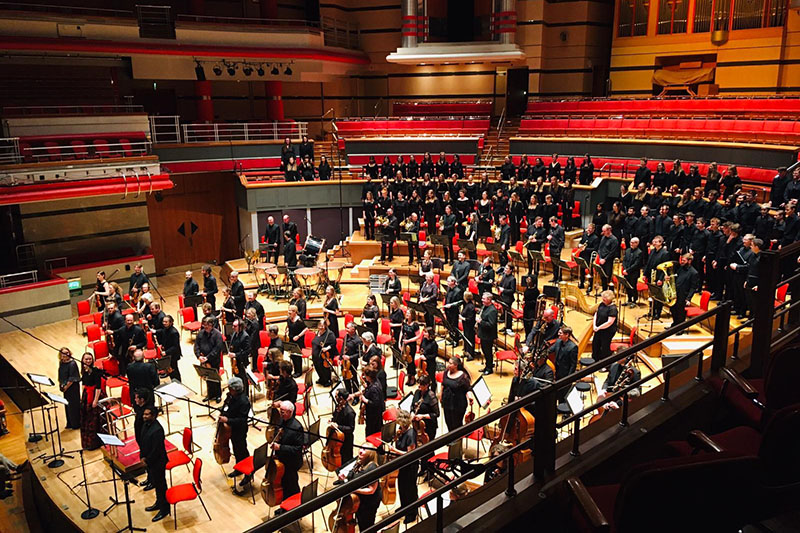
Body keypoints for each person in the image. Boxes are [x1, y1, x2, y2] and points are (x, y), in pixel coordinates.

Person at [385, 409, 418, 524]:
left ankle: (412, 513)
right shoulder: (402, 432)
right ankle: (404, 507)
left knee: (410, 490)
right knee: (402, 487)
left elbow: (410, 453)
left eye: (399, 423)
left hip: (410, 466)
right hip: (403, 465)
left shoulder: (411, 434)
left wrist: (394, 450)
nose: (398, 426)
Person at [219, 377, 252, 491]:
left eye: (229, 388)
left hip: (240, 429)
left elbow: (242, 420)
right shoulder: (232, 397)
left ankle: (248, 474)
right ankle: (239, 468)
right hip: (232, 429)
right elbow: (230, 411)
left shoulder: (244, 401)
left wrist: (227, 420)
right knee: (236, 449)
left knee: (242, 450)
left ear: (234, 389)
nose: (228, 390)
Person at [339, 445, 382, 530]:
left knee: (366, 525)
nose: (361, 451)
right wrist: (344, 478)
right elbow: (352, 477)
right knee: (361, 522)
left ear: (370, 453)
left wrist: (354, 489)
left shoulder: (372, 467)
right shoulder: (359, 462)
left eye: (364, 449)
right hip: (359, 500)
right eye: (361, 448)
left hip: (369, 503)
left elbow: (371, 490)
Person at [139, 405, 170, 522]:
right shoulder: (145, 425)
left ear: (154, 416)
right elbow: (142, 441)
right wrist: (142, 456)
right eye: (144, 414)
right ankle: (159, 503)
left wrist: (146, 460)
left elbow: (156, 450)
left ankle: (164, 509)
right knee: (157, 485)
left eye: (147, 414)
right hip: (149, 461)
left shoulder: (157, 430)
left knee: (161, 485)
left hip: (158, 462)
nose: (144, 416)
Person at [272, 401, 305, 506]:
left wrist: (280, 447)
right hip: (281, 459)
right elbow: (277, 433)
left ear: (290, 412)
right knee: (283, 484)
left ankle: (296, 507)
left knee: (291, 485)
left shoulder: (297, 427)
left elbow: (297, 449)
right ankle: (284, 505)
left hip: (291, 462)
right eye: (280, 411)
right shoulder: (281, 420)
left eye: (282, 412)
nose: (280, 414)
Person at [194, 316, 224, 402]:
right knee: (207, 378)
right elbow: (196, 346)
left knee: (215, 378)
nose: (205, 327)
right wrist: (198, 356)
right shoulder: (200, 333)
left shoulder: (217, 334)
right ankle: (210, 394)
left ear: (212, 325)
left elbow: (217, 349)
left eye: (207, 325)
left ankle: (218, 395)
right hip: (203, 359)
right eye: (204, 325)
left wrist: (207, 358)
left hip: (213, 360)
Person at [80, 352, 105, 450]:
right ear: (83, 360)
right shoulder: (84, 371)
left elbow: (98, 387)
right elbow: (84, 383)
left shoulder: (96, 371)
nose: (88, 361)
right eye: (86, 359)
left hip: (96, 395)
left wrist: (95, 401)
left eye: (90, 359)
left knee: (95, 420)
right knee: (86, 418)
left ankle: (97, 442)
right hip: (87, 394)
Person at [440, 357, 470, 432]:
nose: (448, 365)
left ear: (456, 365)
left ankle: (457, 442)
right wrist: (441, 396)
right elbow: (443, 384)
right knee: (448, 422)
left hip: (458, 405)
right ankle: (451, 441)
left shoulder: (463, 377)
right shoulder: (446, 371)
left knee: (456, 424)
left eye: (450, 363)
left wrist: (470, 397)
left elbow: (468, 389)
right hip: (447, 402)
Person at [670, 253, 700, 329]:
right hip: (675, 293)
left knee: (680, 312)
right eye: (681, 260)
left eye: (683, 260)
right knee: (673, 309)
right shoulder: (680, 268)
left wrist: (688, 298)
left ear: (689, 261)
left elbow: (693, 287)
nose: (681, 262)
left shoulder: (694, 273)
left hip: (683, 294)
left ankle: (680, 328)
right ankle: (674, 325)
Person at [330, 389, 356, 464]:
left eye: (336, 395)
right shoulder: (338, 405)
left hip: (346, 439)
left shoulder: (350, 412)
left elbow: (351, 428)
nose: (335, 397)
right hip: (338, 436)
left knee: (346, 458)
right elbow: (336, 417)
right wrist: (332, 420)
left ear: (341, 398)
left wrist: (338, 426)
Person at [411, 375, 440, 442]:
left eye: (421, 384)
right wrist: (412, 412)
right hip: (417, 424)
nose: (419, 386)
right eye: (419, 383)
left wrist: (422, 416)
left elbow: (436, 414)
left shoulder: (431, 396)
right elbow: (412, 406)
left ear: (426, 385)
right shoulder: (417, 392)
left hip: (428, 426)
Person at [58, 347, 81, 430]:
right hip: (66, 387)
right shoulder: (61, 363)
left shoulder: (72, 364)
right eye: (63, 353)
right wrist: (61, 385)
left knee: (74, 406)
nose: (65, 355)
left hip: (72, 387)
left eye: (67, 353)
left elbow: (72, 378)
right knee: (67, 405)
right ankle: (70, 423)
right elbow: (61, 375)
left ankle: (76, 424)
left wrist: (66, 387)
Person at [592, 290, 618, 362]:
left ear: (609, 299)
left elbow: (609, 322)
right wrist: (594, 325)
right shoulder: (602, 304)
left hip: (607, 331)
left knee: (605, 347)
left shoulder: (613, 309)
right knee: (595, 345)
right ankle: (595, 361)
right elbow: (596, 314)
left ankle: (606, 364)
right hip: (598, 329)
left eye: (605, 298)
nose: (603, 299)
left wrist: (598, 328)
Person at [228, 319, 251, 397]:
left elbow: (247, 351)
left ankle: (245, 396)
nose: (232, 327)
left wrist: (235, 355)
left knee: (243, 380)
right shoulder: (235, 333)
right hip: (235, 362)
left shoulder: (245, 336)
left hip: (242, 362)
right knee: (237, 379)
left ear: (240, 327)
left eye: (235, 326)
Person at [358, 368, 385, 436]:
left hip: (374, 416)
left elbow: (375, 403)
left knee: (372, 432)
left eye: (365, 376)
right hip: (376, 414)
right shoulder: (376, 381)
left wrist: (365, 400)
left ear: (369, 377)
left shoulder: (373, 388)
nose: (364, 377)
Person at [476, 292, 498, 374]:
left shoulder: (492, 310)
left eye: (484, 299)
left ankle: (489, 368)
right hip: (483, 334)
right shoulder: (485, 307)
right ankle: (487, 366)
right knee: (485, 351)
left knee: (488, 352)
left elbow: (491, 324)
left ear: (489, 300)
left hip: (488, 335)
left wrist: (480, 321)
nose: (482, 300)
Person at [311, 321, 336, 387]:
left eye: (322, 326)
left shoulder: (329, 333)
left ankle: (327, 380)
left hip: (325, 354)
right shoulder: (318, 332)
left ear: (325, 326)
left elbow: (333, 343)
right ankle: (321, 378)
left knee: (324, 368)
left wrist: (327, 348)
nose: (320, 327)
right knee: (317, 367)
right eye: (319, 326)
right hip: (315, 354)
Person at [596, 224, 620, 291]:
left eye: (604, 231)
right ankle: (604, 291)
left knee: (608, 277)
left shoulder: (614, 240)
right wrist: (600, 258)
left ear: (609, 230)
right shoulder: (603, 237)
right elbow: (600, 248)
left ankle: (610, 292)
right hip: (602, 260)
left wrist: (605, 259)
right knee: (603, 276)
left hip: (609, 261)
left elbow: (612, 252)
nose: (603, 233)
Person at [341, 322, 362, 395]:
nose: (345, 329)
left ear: (353, 329)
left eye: (347, 328)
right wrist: (340, 358)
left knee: (353, 379)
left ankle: (355, 395)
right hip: (344, 362)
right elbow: (343, 348)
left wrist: (349, 357)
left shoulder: (358, 340)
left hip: (352, 362)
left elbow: (360, 353)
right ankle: (348, 392)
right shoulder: (346, 336)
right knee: (345, 378)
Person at [286, 304, 307, 377]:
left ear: (295, 312)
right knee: (292, 355)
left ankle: (299, 371)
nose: (289, 313)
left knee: (297, 356)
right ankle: (295, 370)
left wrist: (298, 336)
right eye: (288, 311)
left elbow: (305, 329)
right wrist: (288, 330)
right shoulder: (288, 319)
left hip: (298, 340)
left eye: (290, 312)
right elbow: (289, 326)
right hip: (291, 339)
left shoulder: (299, 320)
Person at [621, 237, 644, 307]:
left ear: (637, 243)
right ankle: (629, 299)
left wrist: (627, 270)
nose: (631, 244)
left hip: (633, 273)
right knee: (627, 287)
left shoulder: (639, 252)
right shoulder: (628, 250)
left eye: (633, 243)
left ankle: (634, 300)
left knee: (633, 287)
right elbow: (624, 260)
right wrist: (624, 269)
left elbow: (636, 264)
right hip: (626, 272)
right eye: (630, 242)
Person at [576, 223, 599, 290]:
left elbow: (595, 249)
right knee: (582, 270)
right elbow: (581, 242)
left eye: (590, 228)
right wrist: (579, 245)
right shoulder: (584, 235)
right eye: (588, 228)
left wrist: (585, 249)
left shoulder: (595, 238)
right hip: (583, 255)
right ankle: (582, 283)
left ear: (593, 229)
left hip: (589, 257)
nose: (588, 229)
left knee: (590, 272)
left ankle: (590, 285)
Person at [443, 276, 463, 344]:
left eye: (448, 281)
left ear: (453, 282)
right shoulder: (448, 289)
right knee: (449, 326)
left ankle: (456, 340)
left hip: (454, 311)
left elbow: (460, 302)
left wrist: (451, 305)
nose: (447, 282)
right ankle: (452, 338)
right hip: (448, 311)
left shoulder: (458, 291)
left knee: (454, 326)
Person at [497, 264, 516, 333]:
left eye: (507, 268)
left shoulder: (512, 279)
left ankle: (509, 327)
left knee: (508, 314)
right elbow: (501, 285)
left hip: (508, 298)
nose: (505, 269)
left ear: (510, 270)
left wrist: (503, 290)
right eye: (505, 268)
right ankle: (506, 326)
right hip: (503, 297)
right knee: (505, 313)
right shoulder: (504, 276)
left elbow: (512, 290)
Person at [459, 292, 477, 361]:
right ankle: (466, 352)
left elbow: (471, 318)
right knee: (466, 338)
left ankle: (471, 354)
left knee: (470, 339)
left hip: (470, 326)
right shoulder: (466, 304)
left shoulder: (471, 306)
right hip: (466, 326)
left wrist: (462, 318)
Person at [547, 216, 565, 282]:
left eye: (550, 222)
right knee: (553, 263)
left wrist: (559, 249)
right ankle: (555, 277)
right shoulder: (551, 228)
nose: (549, 223)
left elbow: (562, 240)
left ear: (553, 222)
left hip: (556, 248)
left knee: (557, 264)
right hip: (551, 247)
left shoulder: (560, 229)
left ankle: (559, 278)